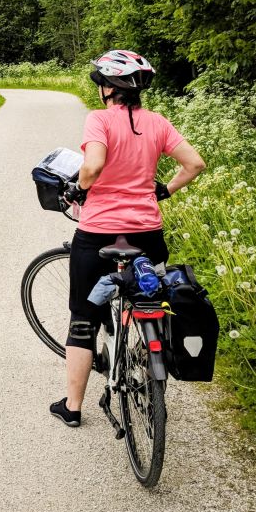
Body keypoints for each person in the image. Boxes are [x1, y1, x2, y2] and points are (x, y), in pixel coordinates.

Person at [50, 50, 206, 427]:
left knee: (83, 319)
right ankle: (148, 359)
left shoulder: (99, 119)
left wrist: (77, 188)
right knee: (151, 301)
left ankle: (72, 407)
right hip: (147, 234)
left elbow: (93, 165)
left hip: (99, 232)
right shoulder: (158, 123)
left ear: (108, 88)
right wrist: (164, 191)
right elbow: (195, 164)